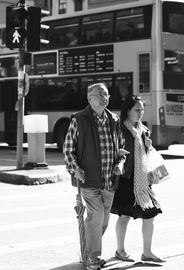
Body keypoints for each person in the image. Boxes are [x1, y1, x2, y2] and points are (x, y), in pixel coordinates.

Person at [64, 82, 127, 270]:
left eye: (106, 94)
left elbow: (121, 149)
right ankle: (92, 257)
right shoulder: (79, 119)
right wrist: (75, 167)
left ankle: (88, 251)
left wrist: (120, 164)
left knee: (103, 219)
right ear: (89, 99)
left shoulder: (114, 120)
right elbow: (68, 149)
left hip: (109, 180)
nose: (104, 97)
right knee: (95, 216)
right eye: (99, 94)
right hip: (88, 179)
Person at [111, 95, 164, 263]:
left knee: (150, 214)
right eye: (137, 110)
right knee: (124, 216)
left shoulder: (144, 130)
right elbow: (112, 151)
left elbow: (146, 155)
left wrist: (148, 147)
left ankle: (147, 252)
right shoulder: (119, 129)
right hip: (126, 179)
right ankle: (120, 250)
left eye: (142, 109)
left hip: (142, 181)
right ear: (128, 110)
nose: (141, 113)